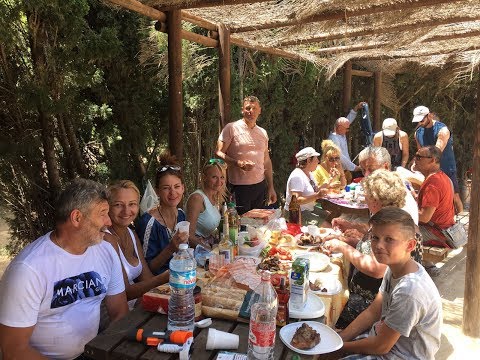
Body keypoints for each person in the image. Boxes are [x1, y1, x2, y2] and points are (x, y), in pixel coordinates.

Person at [0, 179, 128, 359]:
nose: (109, 221)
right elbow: (13, 351)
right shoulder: (28, 270)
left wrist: (107, 353)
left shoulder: (105, 252)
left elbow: (119, 312)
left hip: (93, 352)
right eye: (103, 214)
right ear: (77, 218)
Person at [338, 207, 442, 360]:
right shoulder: (394, 268)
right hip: (383, 342)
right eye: (375, 238)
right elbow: (373, 311)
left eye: (389, 239)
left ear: (410, 245)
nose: (379, 245)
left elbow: (380, 346)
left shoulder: (410, 291)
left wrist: (338, 348)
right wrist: (340, 339)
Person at [325, 170, 407, 329]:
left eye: (367, 195)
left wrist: (342, 247)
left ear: (376, 200)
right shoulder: (387, 218)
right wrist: (346, 239)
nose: (364, 198)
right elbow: (370, 248)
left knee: (323, 305)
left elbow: (376, 268)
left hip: (370, 304)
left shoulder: (390, 226)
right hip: (362, 294)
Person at [104, 180, 170, 310]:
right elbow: (125, 293)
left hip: (137, 307)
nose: (126, 211)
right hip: (113, 317)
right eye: (118, 205)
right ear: (107, 207)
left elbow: (146, 278)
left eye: (132, 204)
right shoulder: (105, 239)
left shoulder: (131, 234)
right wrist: (164, 277)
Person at [216, 95, 277, 214]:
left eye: (254, 108)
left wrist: (271, 187)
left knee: (257, 224)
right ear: (242, 110)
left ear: (260, 111)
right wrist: (237, 163)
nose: (251, 112)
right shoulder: (231, 128)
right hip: (238, 187)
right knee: (239, 225)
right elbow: (218, 153)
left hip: (260, 186)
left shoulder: (263, 132)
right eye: (248, 108)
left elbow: (266, 161)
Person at [136, 153, 189, 275]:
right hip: (158, 287)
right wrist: (170, 248)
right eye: (166, 188)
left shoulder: (181, 215)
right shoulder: (148, 223)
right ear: (157, 191)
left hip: (181, 278)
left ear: (183, 188)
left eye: (176, 186)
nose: (173, 193)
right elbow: (146, 271)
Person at [413, 105, 463, 213]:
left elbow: (436, 152)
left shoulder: (443, 130)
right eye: (418, 121)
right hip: (428, 171)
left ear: (429, 116)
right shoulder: (417, 133)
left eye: (422, 120)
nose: (420, 123)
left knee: (454, 196)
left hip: (446, 168)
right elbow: (420, 153)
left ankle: (459, 222)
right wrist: (416, 164)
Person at [414, 145, 455, 249]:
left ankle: (417, 264)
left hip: (437, 234)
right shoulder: (441, 176)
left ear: (432, 160)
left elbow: (424, 217)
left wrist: (403, 209)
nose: (415, 159)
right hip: (443, 230)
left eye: (419, 157)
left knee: (395, 230)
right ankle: (426, 265)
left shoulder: (433, 183)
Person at [186, 158, 228, 249]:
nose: (219, 182)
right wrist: (211, 251)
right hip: (197, 250)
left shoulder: (215, 197)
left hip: (209, 244)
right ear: (204, 178)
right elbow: (189, 237)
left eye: (222, 177)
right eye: (214, 177)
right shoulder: (197, 198)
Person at [285, 147, 331, 225]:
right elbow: (296, 200)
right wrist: (317, 196)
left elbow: (316, 191)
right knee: (328, 225)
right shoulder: (297, 176)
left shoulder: (309, 174)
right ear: (309, 160)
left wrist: (330, 183)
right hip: (298, 214)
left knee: (332, 218)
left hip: (309, 209)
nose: (318, 161)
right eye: (316, 159)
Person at [328, 102, 366, 175]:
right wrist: (354, 167)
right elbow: (339, 155)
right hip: (337, 172)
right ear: (339, 128)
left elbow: (348, 120)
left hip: (345, 170)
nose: (348, 130)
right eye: (346, 129)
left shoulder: (340, 132)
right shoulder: (333, 139)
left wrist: (356, 108)